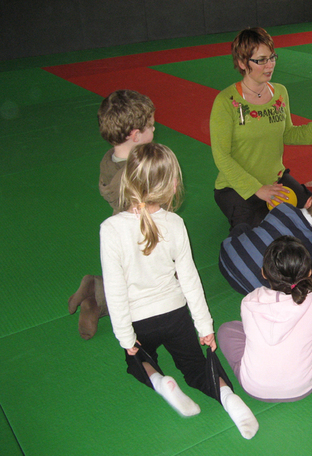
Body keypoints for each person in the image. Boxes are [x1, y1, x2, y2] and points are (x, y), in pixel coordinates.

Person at [100, 143, 258, 439]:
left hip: (139, 320)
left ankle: (160, 382)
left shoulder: (111, 228)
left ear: (128, 179)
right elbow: (189, 279)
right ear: (173, 186)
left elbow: (115, 289)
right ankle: (228, 398)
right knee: (197, 368)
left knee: (138, 361)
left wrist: (125, 337)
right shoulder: (175, 223)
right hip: (176, 315)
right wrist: (204, 326)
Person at [210, 27, 312, 229]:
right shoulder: (226, 101)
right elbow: (222, 156)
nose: (270, 65)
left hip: (275, 180)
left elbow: (287, 133)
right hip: (236, 186)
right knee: (265, 233)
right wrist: (257, 189)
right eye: (261, 60)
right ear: (243, 63)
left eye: (272, 58)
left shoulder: (279, 92)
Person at [68, 90, 156, 340]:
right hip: (139, 233)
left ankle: (94, 286)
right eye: (150, 126)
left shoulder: (110, 161)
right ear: (136, 135)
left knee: (126, 275)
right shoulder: (139, 168)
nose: (154, 129)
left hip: (118, 232)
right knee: (138, 287)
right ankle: (97, 301)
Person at [217, 236, 312, 402]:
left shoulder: (249, 301)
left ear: (263, 273)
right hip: (303, 387)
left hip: (254, 388)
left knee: (226, 330)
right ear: (309, 272)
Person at [219, 185, 312, 295]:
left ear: (309, 201)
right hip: (255, 288)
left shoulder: (283, 208)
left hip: (226, 257)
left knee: (243, 227)